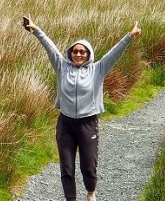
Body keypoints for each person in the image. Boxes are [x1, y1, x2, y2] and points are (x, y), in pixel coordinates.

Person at [22, 16, 141, 201]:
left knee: (88, 167)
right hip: (66, 124)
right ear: (70, 53)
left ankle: (91, 193)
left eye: (83, 52)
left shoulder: (98, 69)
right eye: (75, 51)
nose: (78, 55)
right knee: (67, 167)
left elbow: (114, 54)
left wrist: (129, 36)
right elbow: (50, 47)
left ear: (88, 55)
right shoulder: (62, 66)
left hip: (88, 124)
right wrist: (36, 30)